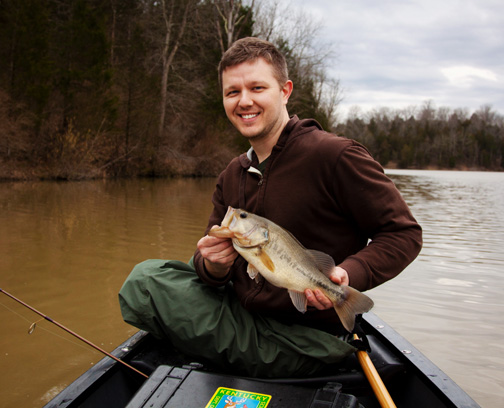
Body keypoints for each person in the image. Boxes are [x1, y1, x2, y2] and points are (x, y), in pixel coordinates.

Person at [119, 37, 422, 378]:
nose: (244, 101)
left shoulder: (335, 156)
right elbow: (210, 275)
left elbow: (403, 234)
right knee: (159, 273)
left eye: (257, 87)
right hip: (245, 311)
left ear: (285, 90)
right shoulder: (231, 175)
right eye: (232, 92)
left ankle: (242, 352)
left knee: (143, 285)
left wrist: (349, 273)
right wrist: (214, 266)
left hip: (304, 336)